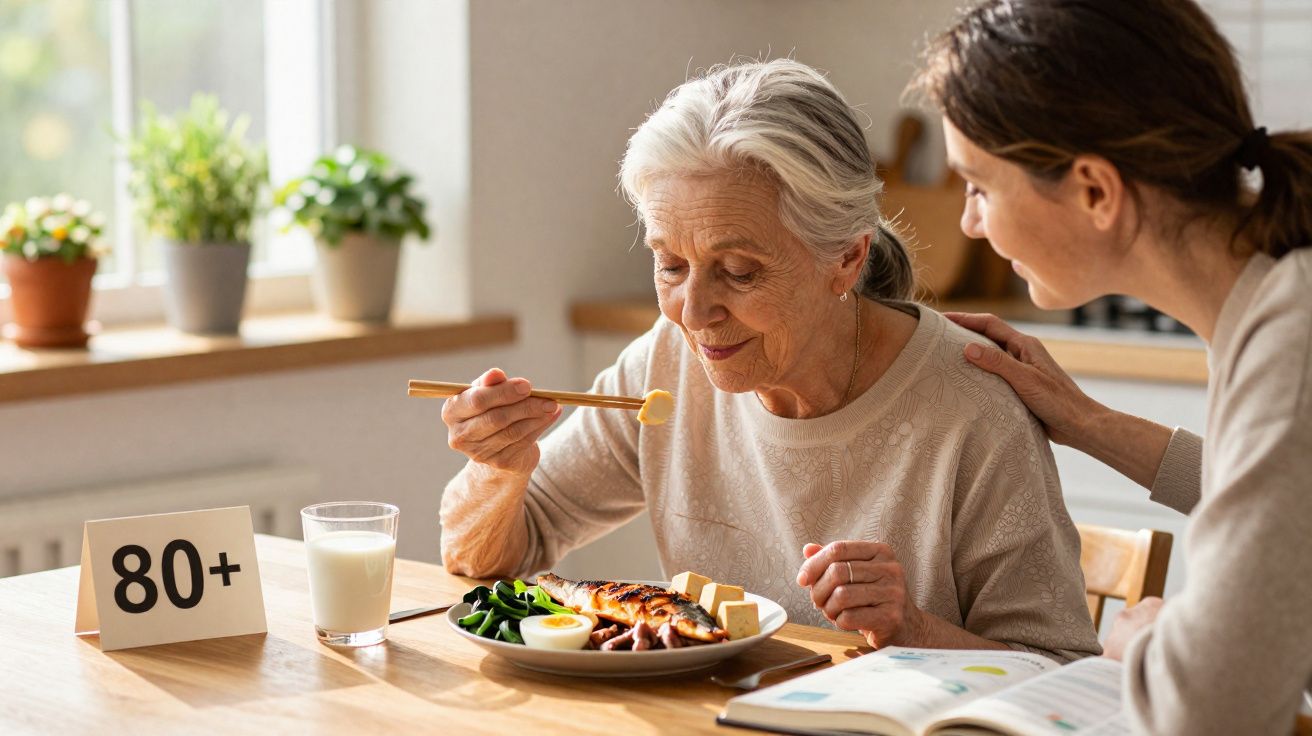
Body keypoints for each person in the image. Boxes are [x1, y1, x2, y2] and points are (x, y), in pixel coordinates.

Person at [438, 59, 1099, 661]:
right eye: (669, 264)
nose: (692, 312)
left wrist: (914, 630)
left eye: (738, 271)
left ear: (845, 258)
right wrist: (501, 472)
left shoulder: (972, 407)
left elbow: (1062, 680)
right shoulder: (669, 363)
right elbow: (484, 559)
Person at [908, 0, 1312, 732]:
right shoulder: (1274, 301)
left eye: (978, 186)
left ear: (1095, 190)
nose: (970, 222)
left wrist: (1137, 640)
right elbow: (1283, 500)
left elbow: (1209, 710)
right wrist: (1088, 423)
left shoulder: (1294, 337)